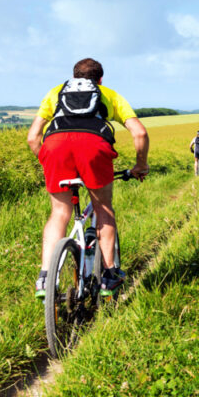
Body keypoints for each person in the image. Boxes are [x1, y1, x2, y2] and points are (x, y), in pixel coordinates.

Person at [26, 58, 149, 300]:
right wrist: (140, 165)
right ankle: (109, 275)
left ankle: (45, 276)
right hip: (94, 147)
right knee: (103, 208)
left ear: (73, 76)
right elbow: (140, 132)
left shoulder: (55, 93)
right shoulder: (108, 94)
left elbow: (33, 137)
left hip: (55, 146)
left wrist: (47, 161)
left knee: (59, 213)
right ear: (99, 79)